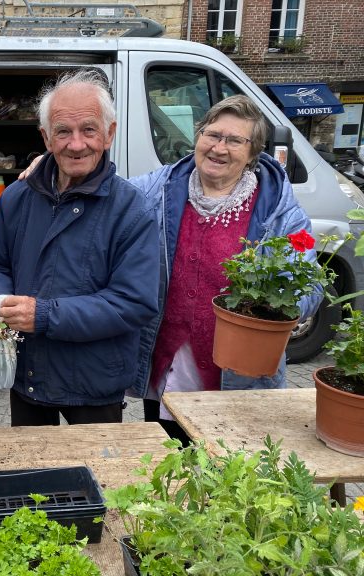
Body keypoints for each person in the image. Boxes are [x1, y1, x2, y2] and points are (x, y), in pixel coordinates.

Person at [130, 94, 322, 443]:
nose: (219, 147)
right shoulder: (158, 189)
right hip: (166, 371)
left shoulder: (279, 210)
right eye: (212, 135)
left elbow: (309, 289)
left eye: (235, 140)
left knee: (230, 476)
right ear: (198, 137)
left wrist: (276, 303)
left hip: (239, 379)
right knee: (168, 469)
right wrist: (50, 167)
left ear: (253, 154)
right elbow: (104, 193)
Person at [0, 68, 160, 426]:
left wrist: (43, 316)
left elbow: (134, 303)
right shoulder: (16, 198)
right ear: (46, 137)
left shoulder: (132, 209)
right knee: (33, 479)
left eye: (88, 129)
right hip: (29, 377)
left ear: (109, 133)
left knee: (93, 479)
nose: (76, 144)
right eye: (63, 131)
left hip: (94, 384)